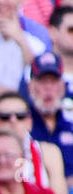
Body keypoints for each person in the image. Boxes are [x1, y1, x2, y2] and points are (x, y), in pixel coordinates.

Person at [0, 89, 68, 194]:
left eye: (20, 116)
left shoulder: (49, 153)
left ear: (29, 122)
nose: (13, 121)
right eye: (5, 117)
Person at [27, 50, 73, 181]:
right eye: (42, 81)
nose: (48, 88)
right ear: (31, 87)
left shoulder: (71, 124)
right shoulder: (20, 121)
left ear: (63, 87)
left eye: (53, 81)